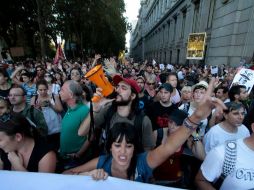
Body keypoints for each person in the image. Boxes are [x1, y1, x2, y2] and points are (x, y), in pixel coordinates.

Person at [64, 78, 227, 182]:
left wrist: (197, 117)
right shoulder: (102, 160)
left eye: (128, 145)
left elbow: (166, 147)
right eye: (117, 144)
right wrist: (94, 108)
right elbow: (81, 134)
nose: (122, 151)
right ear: (110, 146)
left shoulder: (143, 125)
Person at [93, 75, 155, 153]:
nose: (117, 90)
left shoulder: (143, 120)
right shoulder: (108, 109)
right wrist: (95, 109)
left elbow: (148, 149)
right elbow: (94, 124)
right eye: (117, 86)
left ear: (132, 96)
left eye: (123, 88)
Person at [195, 107, 254, 189]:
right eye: (236, 113)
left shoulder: (244, 130)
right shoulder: (214, 134)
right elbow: (205, 157)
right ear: (225, 115)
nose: (241, 117)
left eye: (243, 113)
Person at [59, 80, 90, 169]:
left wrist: (78, 154)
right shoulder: (70, 109)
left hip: (75, 161)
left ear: (71, 95)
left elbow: (91, 137)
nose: (59, 92)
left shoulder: (84, 111)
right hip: (64, 157)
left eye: (62, 90)